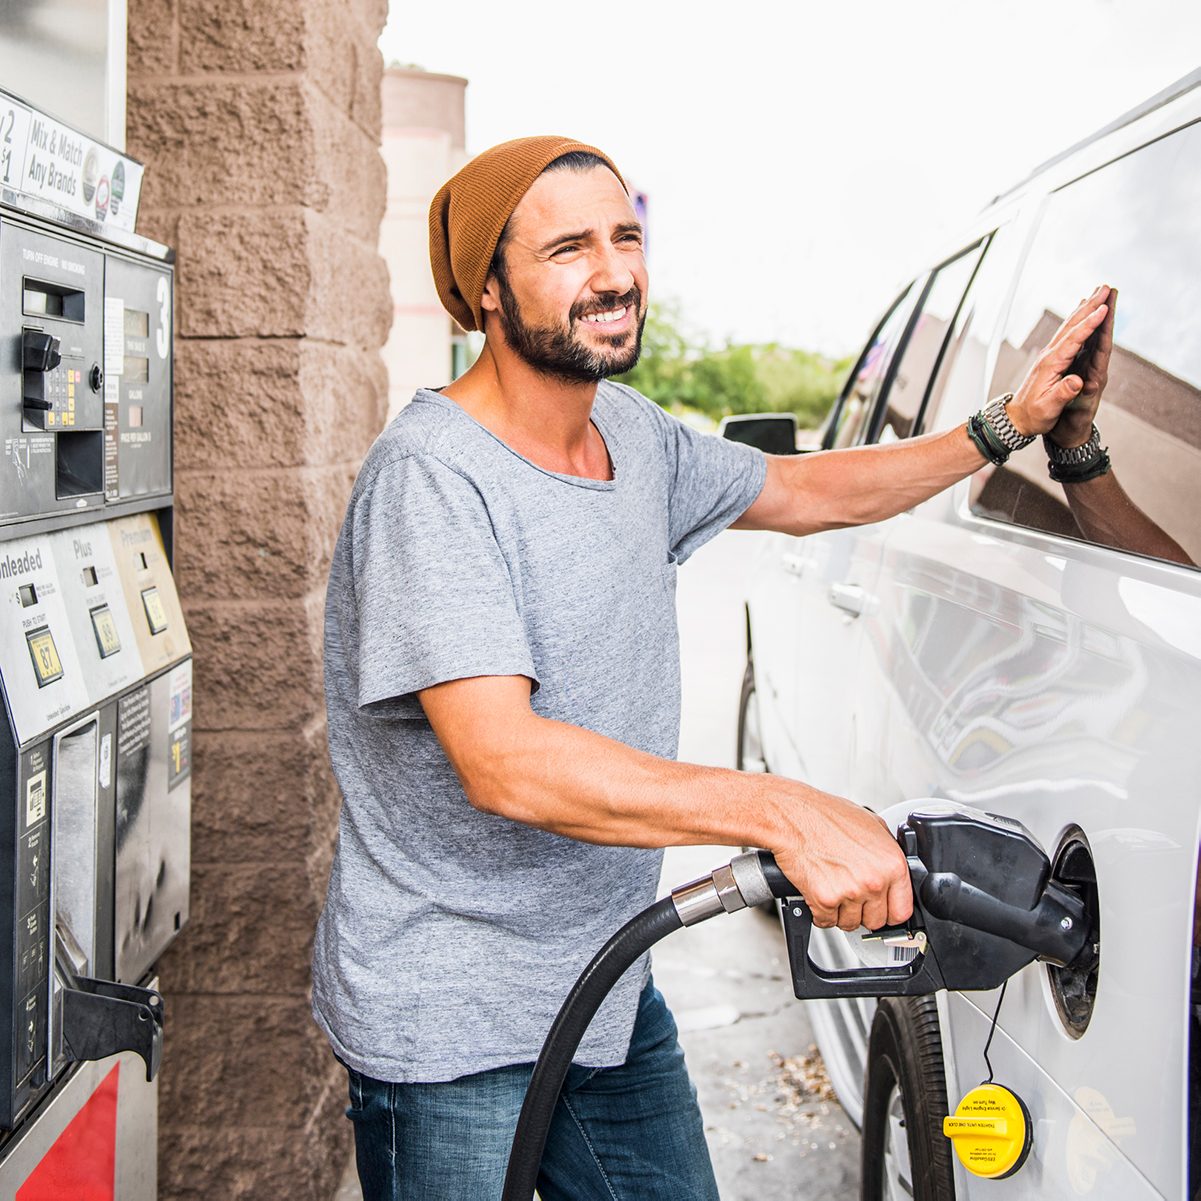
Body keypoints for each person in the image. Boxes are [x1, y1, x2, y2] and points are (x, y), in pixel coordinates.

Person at [311, 135, 1111, 1201]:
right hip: (451, 1019)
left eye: (625, 237)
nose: (613, 273)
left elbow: (811, 488)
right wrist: (778, 809)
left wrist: (1007, 424)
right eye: (566, 249)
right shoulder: (434, 481)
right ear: (487, 292)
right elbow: (507, 763)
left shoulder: (630, 439)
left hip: (603, 988)